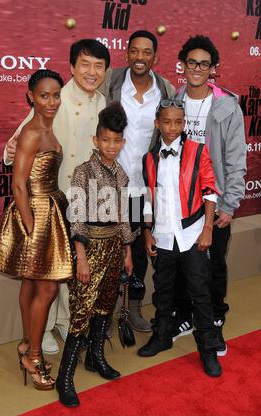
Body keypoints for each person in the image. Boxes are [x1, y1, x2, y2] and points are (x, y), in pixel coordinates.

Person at [3, 39, 110, 354]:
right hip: (49, 199)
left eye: (99, 66)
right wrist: (11, 151)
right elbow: (19, 141)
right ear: (73, 67)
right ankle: (43, 330)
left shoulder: (103, 104)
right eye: (85, 64)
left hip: (81, 200)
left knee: (71, 267)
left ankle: (65, 320)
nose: (92, 72)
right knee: (45, 271)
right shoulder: (54, 97)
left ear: (105, 70)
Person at [0, 69, 73, 390]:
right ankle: (34, 357)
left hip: (48, 210)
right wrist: (30, 228)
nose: (51, 102)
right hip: (34, 212)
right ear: (30, 96)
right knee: (49, 288)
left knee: (31, 282)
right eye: (43, 96)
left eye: (55, 95)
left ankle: (26, 342)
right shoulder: (32, 132)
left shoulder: (46, 128)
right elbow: (19, 185)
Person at [56, 102, 136, 407]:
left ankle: (96, 358)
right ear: (95, 140)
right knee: (81, 312)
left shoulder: (122, 173)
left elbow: (125, 216)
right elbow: (76, 217)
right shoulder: (82, 172)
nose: (111, 146)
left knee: (105, 306)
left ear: (123, 142)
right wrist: (82, 256)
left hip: (116, 246)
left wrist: (127, 250)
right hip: (90, 249)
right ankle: (65, 378)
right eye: (106, 140)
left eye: (117, 141)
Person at [172, 35, 247, 355]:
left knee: (214, 262)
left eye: (204, 63)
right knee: (180, 261)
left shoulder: (227, 106)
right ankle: (184, 315)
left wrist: (229, 203)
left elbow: (236, 158)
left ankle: (215, 316)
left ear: (213, 69)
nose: (197, 68)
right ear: (183, 65)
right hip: (180, 201)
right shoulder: (174, 101)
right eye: (192, 62)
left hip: (214, 200)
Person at [138, 99, 223, 377]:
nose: (172, 127)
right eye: (166, 121)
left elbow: (209, 191)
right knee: (162, 291)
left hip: (192, 234)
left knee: (200, 292)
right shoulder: (149, 158)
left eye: (178, 122)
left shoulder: (199, 152)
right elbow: (149, 198)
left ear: (184, 123)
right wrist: (147, 231)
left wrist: (208, 229)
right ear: (157, 123)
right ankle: (161, 337)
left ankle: (208, 349)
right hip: (163, 236)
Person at [101, 30, 175, 333]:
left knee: (141, 254)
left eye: (147, 52)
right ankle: (103, 313)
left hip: (144, 190)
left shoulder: (166, 89)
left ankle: (132, 309)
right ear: (127, 53)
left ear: (155, 57)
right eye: (135, 51)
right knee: (106, 250)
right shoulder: (111, 81)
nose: (140, 57)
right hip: (110, 185)